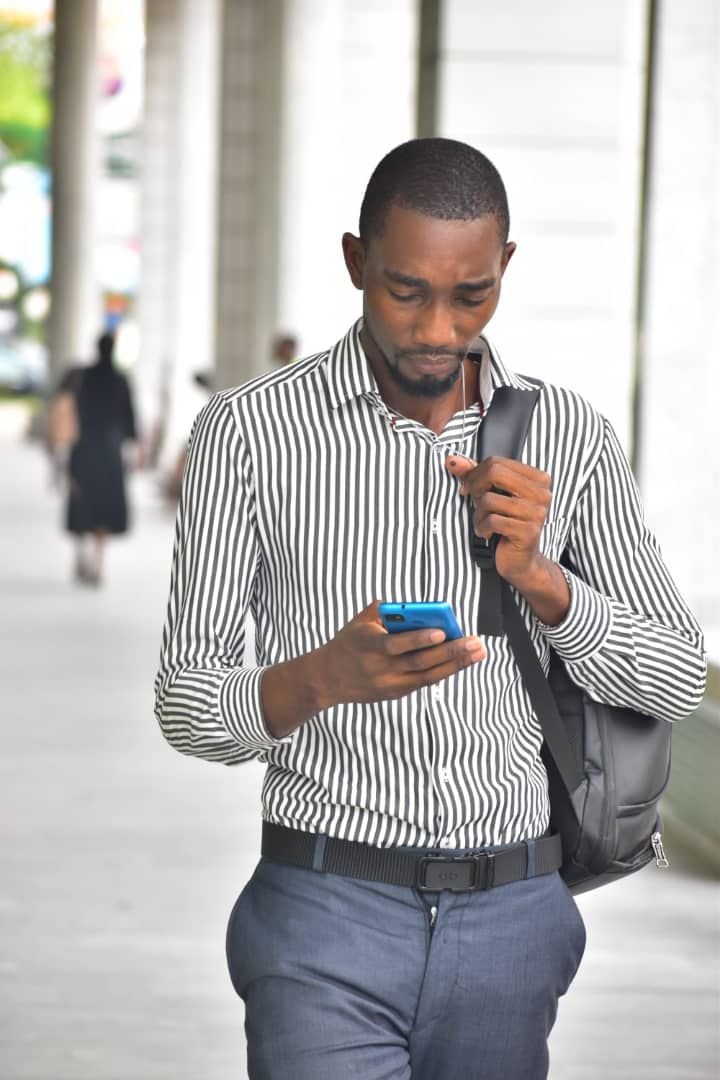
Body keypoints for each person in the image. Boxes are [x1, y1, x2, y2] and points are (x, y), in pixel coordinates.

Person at [154, 138, 706, 1080]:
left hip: (515, 919)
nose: (438, 329)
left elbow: (679, 678)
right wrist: (321, 677)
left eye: (472, 295)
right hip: (322, 907)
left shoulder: (570, 435)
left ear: (506, 268)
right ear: (356, 262)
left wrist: (545, 581)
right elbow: (186, 705)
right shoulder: (247, 434)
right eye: (405, 292)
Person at [65, 330, 138, 585]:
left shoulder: (82, 376)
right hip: (109, 450)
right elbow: (130, 418)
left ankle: (81, 555)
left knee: (82, 501)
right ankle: (98, 563)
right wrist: (132, 448)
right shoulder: (121, 379)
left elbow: (69, 408)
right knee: (104, 506)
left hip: (83, 446)